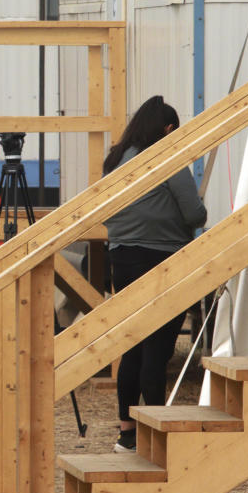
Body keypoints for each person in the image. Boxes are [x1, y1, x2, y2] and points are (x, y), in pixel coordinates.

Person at [102, 95, 207, 453]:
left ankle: (127, 433)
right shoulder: (168, 159)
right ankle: (155, 433)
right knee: (158, 347)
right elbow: (194, 214)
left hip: (122, 259)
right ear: (167, 130)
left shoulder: (115, 159)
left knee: (132, 344)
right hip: (162, 260)